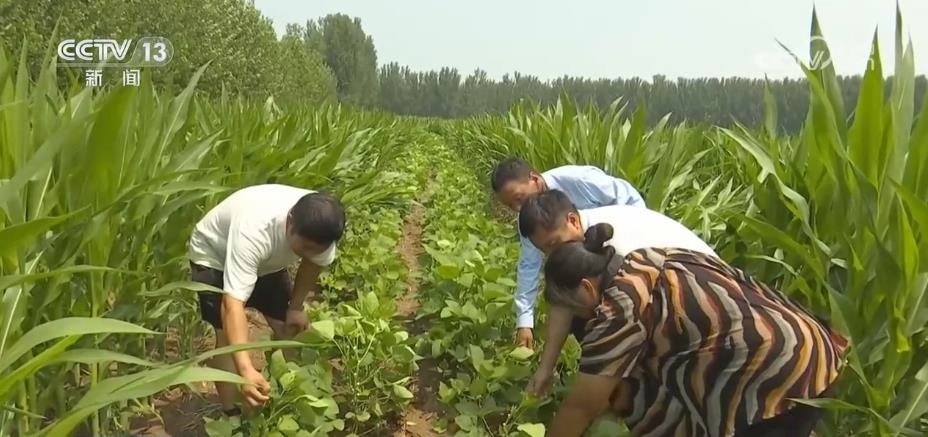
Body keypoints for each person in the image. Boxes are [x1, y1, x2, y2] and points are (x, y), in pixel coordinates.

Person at [540, 224, 847, 437]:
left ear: (587, 287)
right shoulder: (647, 258)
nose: (583, 317)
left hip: (773, 374)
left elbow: (581, 406)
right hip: (811, 344)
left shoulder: (618, 309)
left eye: (575, 308)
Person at [517, 189, 718, 397]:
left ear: (573, 221)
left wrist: (593, 392)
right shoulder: (584, 242)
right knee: (583, 311)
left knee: (600, 324)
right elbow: (565, 303)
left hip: (704, 304)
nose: (553, 254)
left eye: (553, 244)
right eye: (545, 250)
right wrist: (545, 370)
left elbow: (624, 317)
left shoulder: (617, 251)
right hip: (672, 299)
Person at [186, 184, 345, 415]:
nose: (310, 252)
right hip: (214, 257)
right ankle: (232, 416)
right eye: (305, 247)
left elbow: (313, 264)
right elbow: (232, 305)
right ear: (290, 221)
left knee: (289, 329)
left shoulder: (323, 229)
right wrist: (245, 370)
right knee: (228, 339)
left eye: (317, 249)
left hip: (268, 263)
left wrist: (295, 307)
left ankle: (288, 398)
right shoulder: (255, 230)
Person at [490, 157, 646, 349]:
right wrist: (525, 322)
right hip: (587, 271)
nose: (518, 209)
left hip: (623, 255)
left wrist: (638, 255)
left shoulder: (579, 180)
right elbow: (529, 266)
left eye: (519, 198)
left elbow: (629, 200)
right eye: (510, 206)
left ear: (534, 179)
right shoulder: (530, 221)